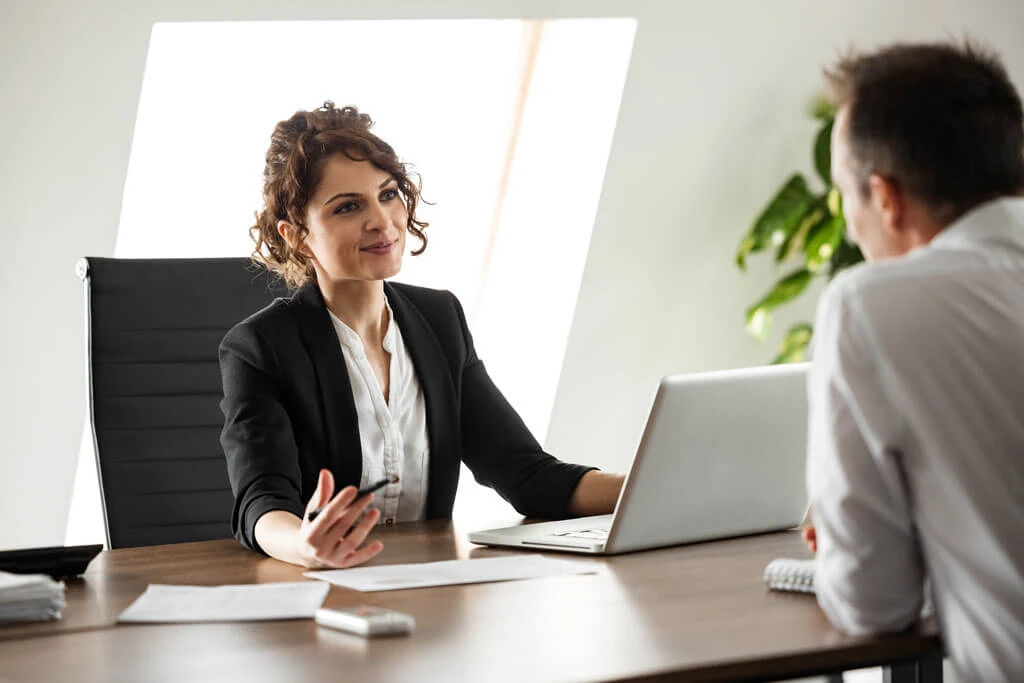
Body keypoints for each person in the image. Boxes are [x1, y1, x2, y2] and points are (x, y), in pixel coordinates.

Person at [219, 102, 624, 571]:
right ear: (298, 235)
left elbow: (526, 475)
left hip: (429, 588)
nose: (382, 221)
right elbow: (262, 503)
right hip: (320, 593)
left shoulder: (439, 320)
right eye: (348, 206)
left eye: (388, 194)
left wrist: (651, 486)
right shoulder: (261, 347)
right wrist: (305, 544)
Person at [804, 41, 1024, 682]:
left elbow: (873, 603)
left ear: (887, 198)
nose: (849, 229)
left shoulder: (869, 306)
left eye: (848, 197)